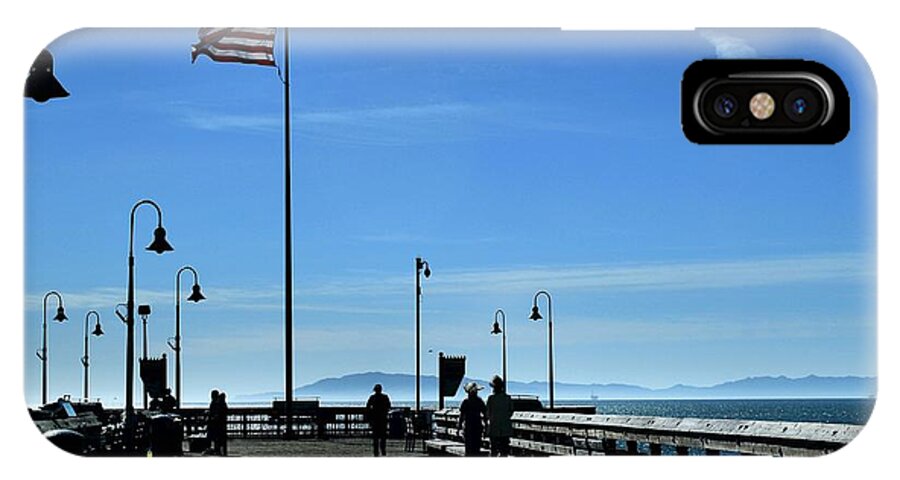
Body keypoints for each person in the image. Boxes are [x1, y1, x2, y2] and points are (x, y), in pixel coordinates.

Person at [486, 375, 514, 457]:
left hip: (494, 427)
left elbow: (487, 413)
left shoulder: (491, 398)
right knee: (504, 450)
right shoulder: (507, 398)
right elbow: (511, 411)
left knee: (494, 450)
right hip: (505, 428)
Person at [458, 382, 487, 456]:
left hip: (468, 427)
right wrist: (486, 425)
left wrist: (459, 427)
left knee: (468, 449)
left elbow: (461, 416)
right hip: (477, 426)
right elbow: (485, 414)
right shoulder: (479, 401)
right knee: (476, 448)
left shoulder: (465, 402)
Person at [366, 383, 392, 456]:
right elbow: (389, 406)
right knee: (383, 437)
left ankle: (376, 452)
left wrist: (370, 417)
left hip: (375, 419)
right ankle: (383, 450)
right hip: (383, 419)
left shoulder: (372, 398)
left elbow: (368, 408)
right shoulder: (385, 397)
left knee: (375, 437)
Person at [206, 389, 221, 455]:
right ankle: (215, 449)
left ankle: (211, 449)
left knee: (211, 436)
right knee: (214, 437)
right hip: (215, 422)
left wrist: (211, 417)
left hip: (213, 423)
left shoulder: (214, 403)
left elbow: (215, 413)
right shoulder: (217, 403)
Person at [215, 391, 229, 456]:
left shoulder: (218, 404)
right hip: (223, 423)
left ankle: (219, 451)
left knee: (218, 438)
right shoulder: (224, 404)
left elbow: (217, 413)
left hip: (219, 423)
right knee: (223, 439)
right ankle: (224, 451)